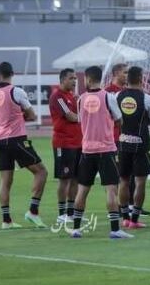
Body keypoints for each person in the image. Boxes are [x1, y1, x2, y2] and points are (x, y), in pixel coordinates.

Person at [70, 66, 132, 239]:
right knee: (111, 190)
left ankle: (76, 228)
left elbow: (81, 121)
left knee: (82, 190)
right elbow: (119, 119)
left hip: (87, 150)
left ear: (88, 79)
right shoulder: (108, 97)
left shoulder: (81, 99)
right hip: (106, 149)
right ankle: (115, 229)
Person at [0, 62, 48, 229]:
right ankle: (33, 211)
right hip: (16, 139)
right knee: (41, 172)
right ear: (12, 74)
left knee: (5, 181)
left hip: (0, 140)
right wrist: (20, 116)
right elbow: (32, 115)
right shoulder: (17, 91)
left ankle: (6, 220)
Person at [116, 66, 150, 229]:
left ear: (127, 79)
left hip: (123, 143)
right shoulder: (147, 98)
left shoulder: (118, 96)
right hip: (141, 144)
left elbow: (116, 118)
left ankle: (125, 217)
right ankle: (134, 219)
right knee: (140, 182)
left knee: (123, 180)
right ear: (140, 78)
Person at [49, 68, 81, 224]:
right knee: (64, 179)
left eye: (75, 78)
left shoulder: (72, 96)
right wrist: (86, 118)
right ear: (62, 80)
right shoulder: (58, 96)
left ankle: (71, 213)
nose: (74, 81)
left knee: (75, 178)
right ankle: (61, 214)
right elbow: (70, 116)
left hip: (77, 142)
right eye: (71, 78)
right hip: (64, 143)